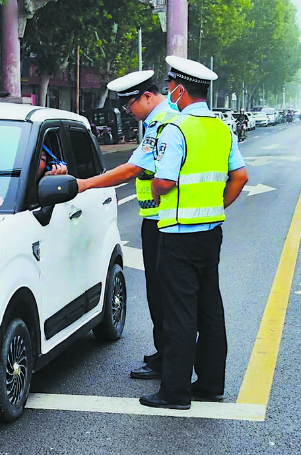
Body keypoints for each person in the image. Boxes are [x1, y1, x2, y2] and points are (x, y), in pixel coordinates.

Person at [139, 56, 248, 410]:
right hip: (211, 232)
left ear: (181, 90)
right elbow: (240, 177)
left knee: (179, 314)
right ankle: (211, 384)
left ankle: (174, 392)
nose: (169, 92)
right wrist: (217, 206)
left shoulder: (176, 128)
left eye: (171, 87)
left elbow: (166, 179)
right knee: (210, 310)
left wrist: (155, 189)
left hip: (178, 234)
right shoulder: (222, 128)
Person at [77, 70, 176, 380]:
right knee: (159, 295)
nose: (127, 112)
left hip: (166, 223)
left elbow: (133, 169)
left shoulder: (164, 123)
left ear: (147, 97)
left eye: (130, 104)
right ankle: (166, 355)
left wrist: (84, 184)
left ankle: (171, 362)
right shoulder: (155, 122)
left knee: (166, 296)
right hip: (157, 220)